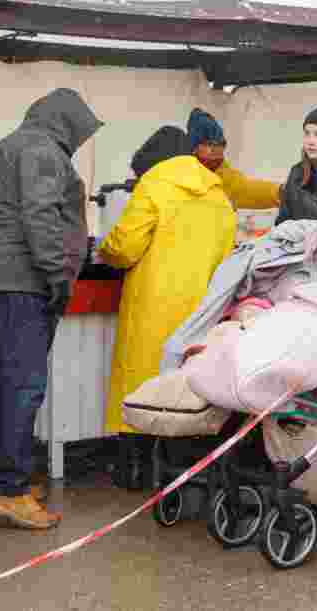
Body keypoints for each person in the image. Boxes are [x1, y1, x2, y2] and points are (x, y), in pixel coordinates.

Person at [0, 88, 103, 529]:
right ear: (65, 122)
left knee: (6, 388)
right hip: (19, 281)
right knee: (22, 388)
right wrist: (59, 277)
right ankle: (8, 490)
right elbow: (40, 218)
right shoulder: (42, 150)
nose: (80, 141)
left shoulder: (17, 144)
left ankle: (5, 482)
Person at [98, 126, 238, 487]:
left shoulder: (154, 185)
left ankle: (135, 472)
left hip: (151, 304)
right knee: (184, 389)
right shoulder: (219, 196)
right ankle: (180, 471)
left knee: (139, 385)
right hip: (200, 311)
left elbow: (124, 246)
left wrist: (104, 249)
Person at [187, 107, 282, 210]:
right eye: (208, 144)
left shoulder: (225, 177)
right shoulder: (182, 175)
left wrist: (280, 192)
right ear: (194, 148)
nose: (215, 150)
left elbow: (247, 190)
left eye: (220, 144)